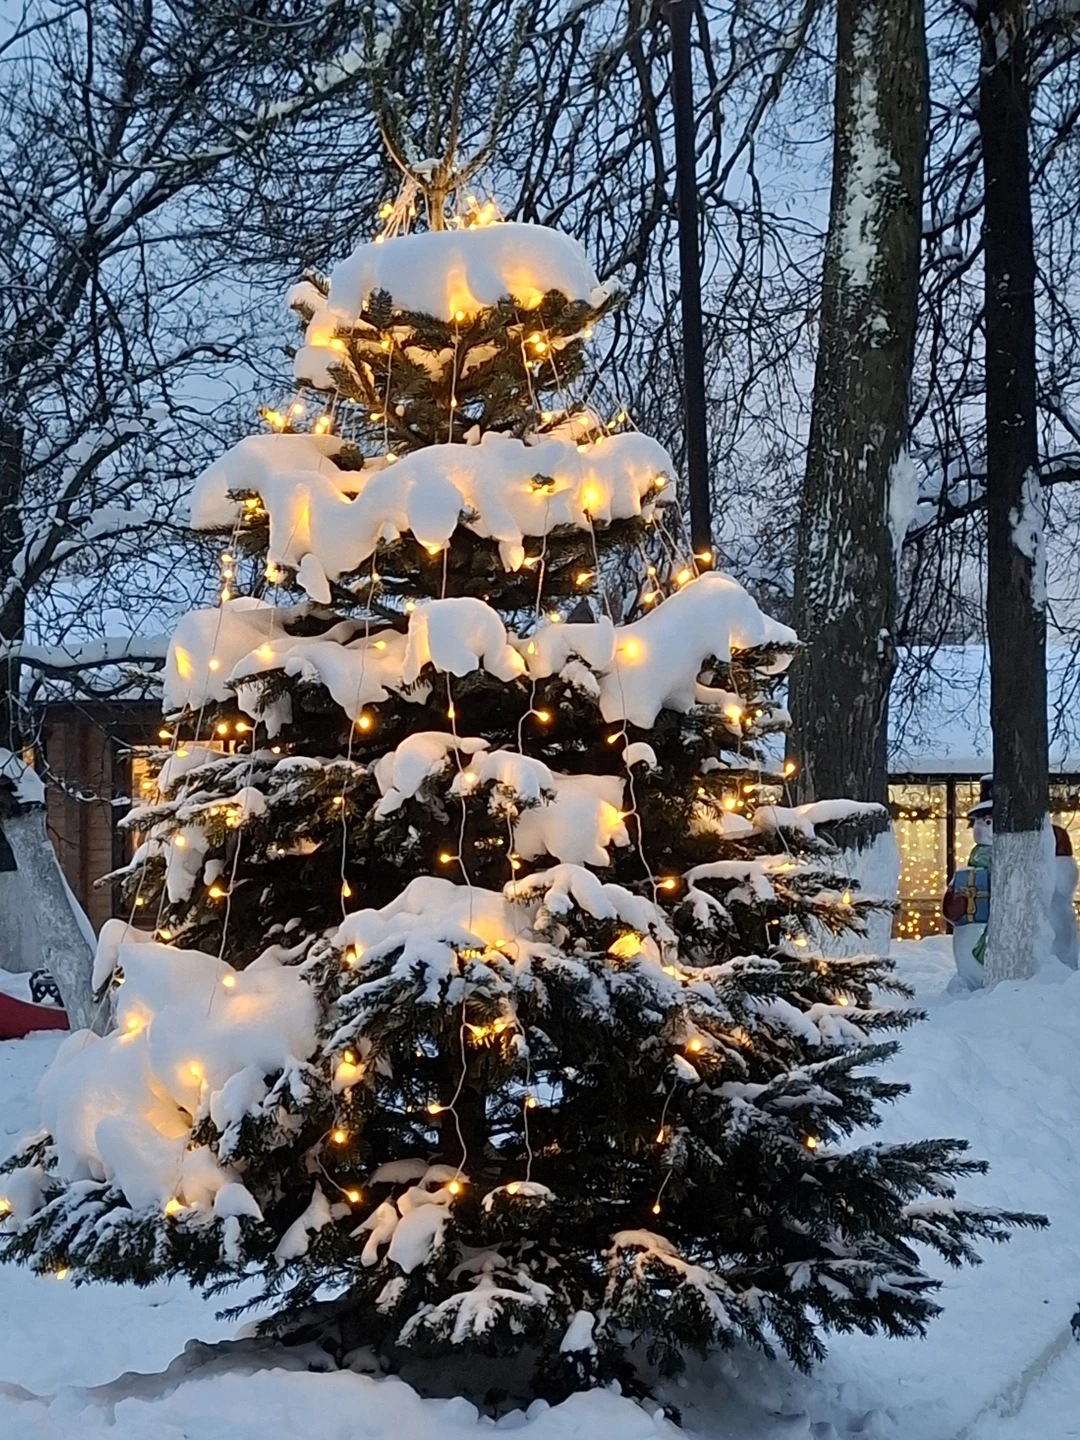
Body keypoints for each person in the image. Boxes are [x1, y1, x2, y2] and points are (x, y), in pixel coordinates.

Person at [942, 778, 1079, 986]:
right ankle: (971, 982)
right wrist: (955, 907)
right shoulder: (972, 868)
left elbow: (1062, 885)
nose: (985, 828)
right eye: (981, 822)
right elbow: (950, 907)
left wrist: (1060, 854)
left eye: (990, 821)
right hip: (974, 951)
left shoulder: (1041, 854)